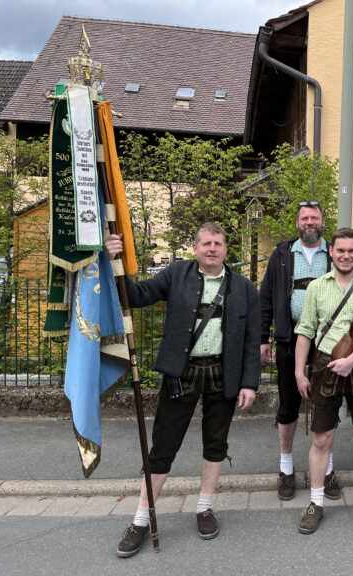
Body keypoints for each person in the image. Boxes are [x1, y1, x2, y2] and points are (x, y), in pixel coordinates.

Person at [106, 222, 261, 558]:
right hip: (181, 374)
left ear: (225, 249)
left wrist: (250, 382)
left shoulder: (245, 288)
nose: (212, 248)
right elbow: (136, 295)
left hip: (224, 376)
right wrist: (114, 261)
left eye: (218, 243)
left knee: (216, 443)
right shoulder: (176, 274)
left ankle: (204, 508)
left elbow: (252, 341)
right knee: (163, 446)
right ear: (195, 248)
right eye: (206, 243)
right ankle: (141, 519)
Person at [294, 227, 353, 534]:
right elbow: (306, 330)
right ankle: (315, 503)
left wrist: (351, 360)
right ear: (331, 252)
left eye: (351, 250)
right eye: (340, 250)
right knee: (322, 439)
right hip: (324, 366)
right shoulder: (316, 287)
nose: (346, 255)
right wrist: (299, 371)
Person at [259, 201, 341, 501]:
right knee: (288, 405)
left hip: (327, 342)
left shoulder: (334, 253)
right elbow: (266, 297)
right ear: (298, 222)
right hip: (289, 340)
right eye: (304, 218)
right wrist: (262, 338)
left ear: (322, 222)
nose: (310, 222)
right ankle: (287, 468)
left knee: (327, 404)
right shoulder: (282, 254)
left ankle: (328, 468)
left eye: (315, 218)